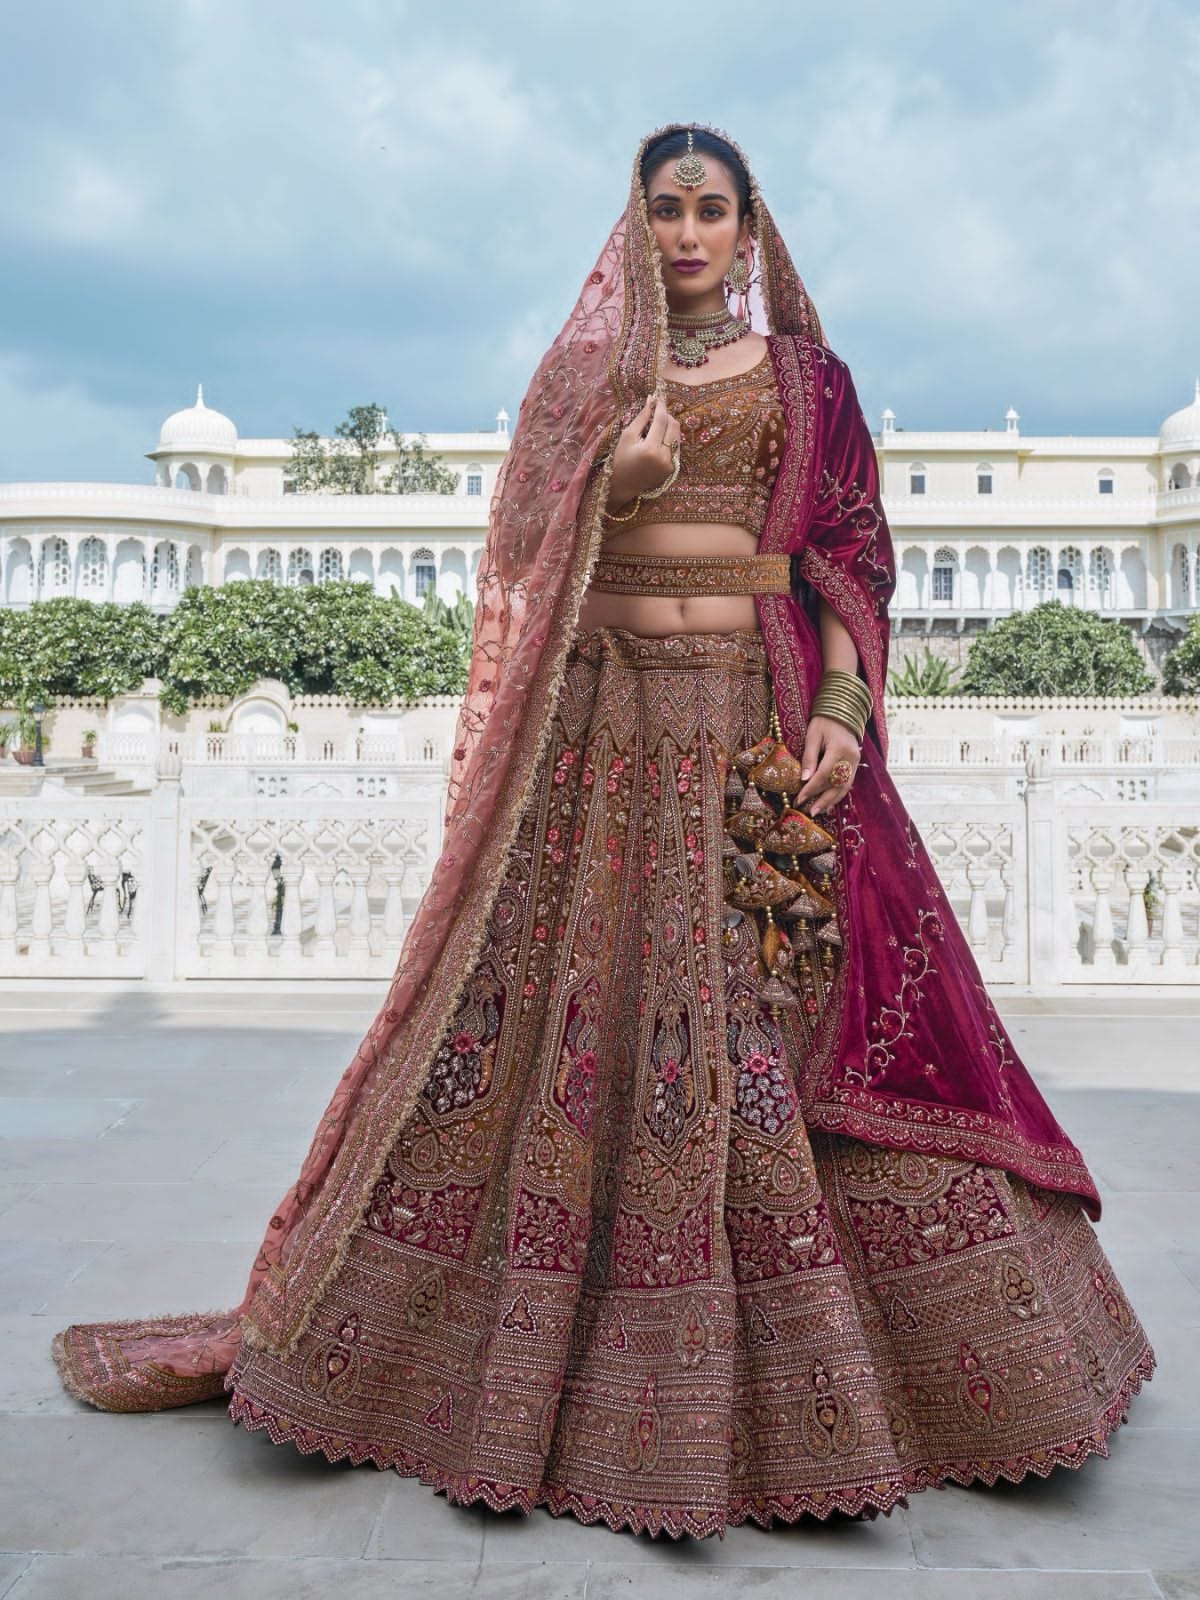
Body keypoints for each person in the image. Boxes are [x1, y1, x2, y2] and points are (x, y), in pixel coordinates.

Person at [53, 123, 1154, 1541]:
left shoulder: (811, 382)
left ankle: (904, 1380)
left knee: (771, 1004)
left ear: (749, 228)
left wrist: (840, 701)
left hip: (753, 721)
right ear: (635, 228)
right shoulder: (590, 378)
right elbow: (519, 550)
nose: (687, 234)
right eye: (664, 211)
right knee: (567, 1013)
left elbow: (851, 549)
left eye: (711, 210)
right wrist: (609, 494)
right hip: (600, 725)